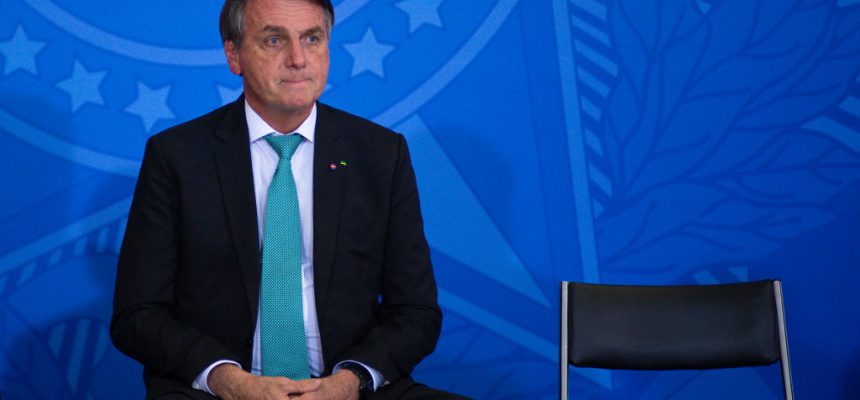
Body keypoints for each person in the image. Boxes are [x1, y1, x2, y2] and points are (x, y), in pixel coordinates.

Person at [110, 0, 464, 398]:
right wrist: (228, 379)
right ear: (234, 54)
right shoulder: (177, 156)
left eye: (312, 39)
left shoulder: (380, 155)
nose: (298, 59)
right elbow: (137, 314)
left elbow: (415, 311)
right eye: (274, 39)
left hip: (347, 388)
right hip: (218, 391)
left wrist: (350, 381)